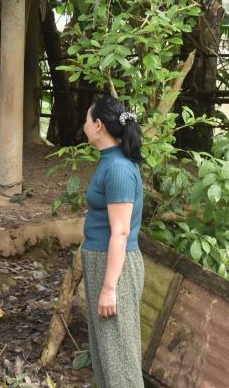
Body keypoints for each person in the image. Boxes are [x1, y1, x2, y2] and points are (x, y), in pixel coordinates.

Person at [81, 95, 145, 388]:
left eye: (86, 120)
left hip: (114, 269)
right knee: (106, 353)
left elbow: (120, 232)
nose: (83, 126)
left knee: (120, 359)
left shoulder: (118, 169)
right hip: (102, 264)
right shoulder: (111, 162)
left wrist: (109, 288)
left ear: (98, 126)